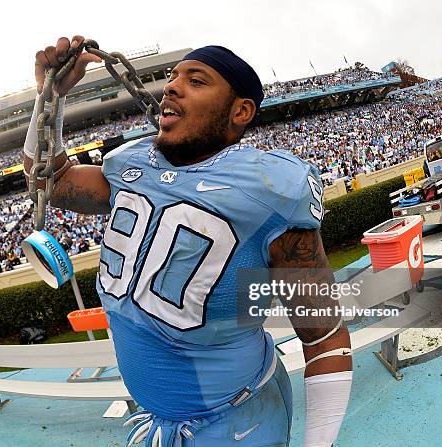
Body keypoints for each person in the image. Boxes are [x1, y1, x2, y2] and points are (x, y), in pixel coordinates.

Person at [24, 37, 352, 447]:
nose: (172, 87)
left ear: (240, 111)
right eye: (173, 77)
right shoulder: (131, 163)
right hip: (160, 421)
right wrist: (48, 96)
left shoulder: (269, 189)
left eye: (196, 81)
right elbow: (51, 182)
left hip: (239, 425)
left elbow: (324, 336)